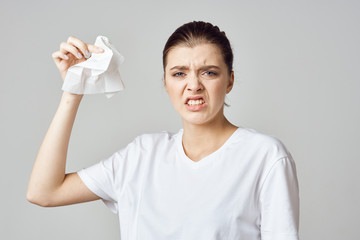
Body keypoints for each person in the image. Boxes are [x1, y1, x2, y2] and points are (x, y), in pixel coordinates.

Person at [27, 21, 300, 240]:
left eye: (209, 72)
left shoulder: (264, 156)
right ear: (166, 81)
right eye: (179, 73)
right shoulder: (141, 156)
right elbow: (44, 192)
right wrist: (74, 90)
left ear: (229, 81)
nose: (193, 85)